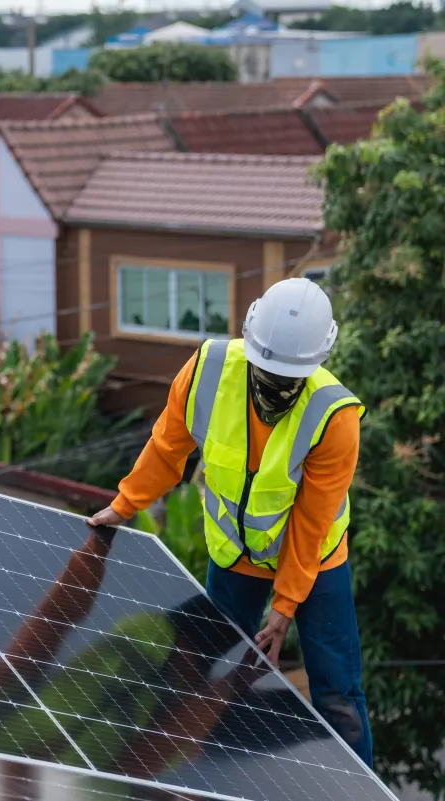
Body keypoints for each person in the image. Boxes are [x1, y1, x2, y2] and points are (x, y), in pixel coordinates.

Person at [86, 277, 373, 766]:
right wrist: (126, 503)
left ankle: (362, 789)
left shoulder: (333, 415)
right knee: (195, 665)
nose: (275, 387)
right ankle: (193, 776)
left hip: (315, 561)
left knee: (337, 690)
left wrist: (285, 605)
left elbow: (312, 520)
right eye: (268, 373)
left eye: (288, 380)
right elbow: (168, 446)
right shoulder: (208, 371)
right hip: (236, 556)